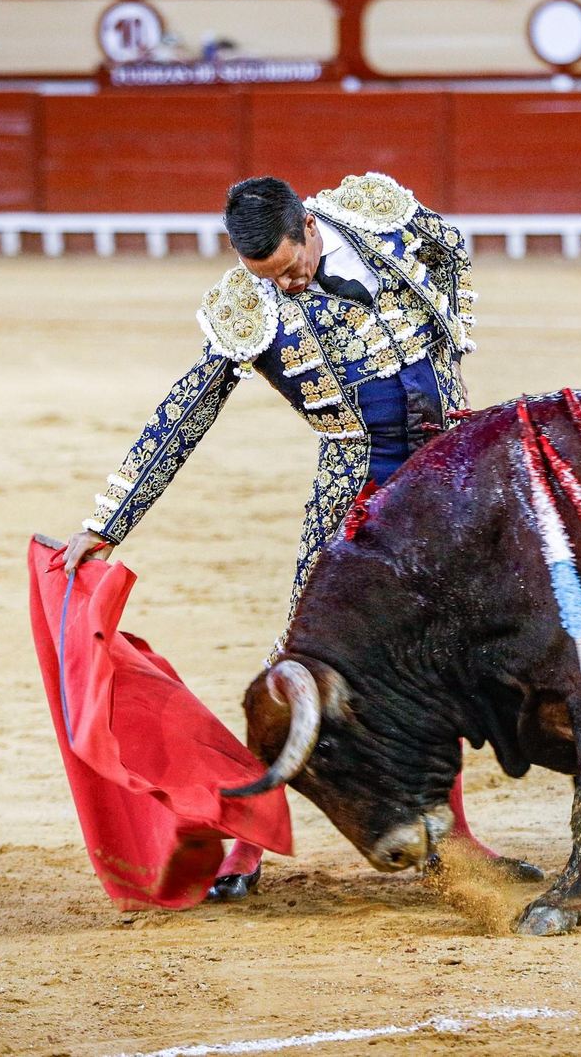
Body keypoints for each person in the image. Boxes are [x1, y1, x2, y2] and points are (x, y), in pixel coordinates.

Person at [61, 173, 540, 900]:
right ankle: (248, 843)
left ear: (310, 227)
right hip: (356, 487)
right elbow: (186, 412)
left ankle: (457, 838)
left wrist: (450, 344)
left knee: (453, 655)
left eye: (292, 268)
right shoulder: (248, 308)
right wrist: (107, 522)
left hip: (445, 475)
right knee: (298, 666)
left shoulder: (375, 219)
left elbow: (449, 247)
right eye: (269, 278)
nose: (286, 286)